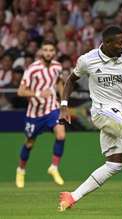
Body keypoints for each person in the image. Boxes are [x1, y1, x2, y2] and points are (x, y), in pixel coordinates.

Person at [58, 26, 122, 211]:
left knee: (114, 165)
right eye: (119, 43)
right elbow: (71, 79)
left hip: (116, 111)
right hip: (102, 111)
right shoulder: (87, 60)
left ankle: (71, 196)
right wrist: (64, 106)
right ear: (107, 43)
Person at [15, 41, 66, 188]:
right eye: (46, 50)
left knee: (61, 135)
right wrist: (38, 93)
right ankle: (21, 170)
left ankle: (54, 168)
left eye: (51, 50)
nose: (48, 52)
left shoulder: (57, 66)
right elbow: (20, 91)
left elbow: (59, 84)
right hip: (34, 113)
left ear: (54, 52)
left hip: (52, 108)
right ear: (41, 52)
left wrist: (63, 105)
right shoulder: (32, 69)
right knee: (30, 143)